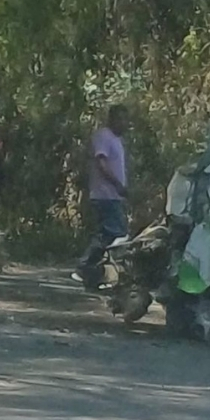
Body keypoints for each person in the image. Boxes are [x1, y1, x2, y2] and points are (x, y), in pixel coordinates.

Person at [75, 105, 132, 292]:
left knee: (113, 234)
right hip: (104, 194)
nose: (125, 123)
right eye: (121, 119)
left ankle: (95, 275)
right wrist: (116, 184)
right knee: (112, 233)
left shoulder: (117, 140)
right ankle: (85, 267)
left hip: (114, 196)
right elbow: (101, 162)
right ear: (113, 119)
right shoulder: (104, 136)